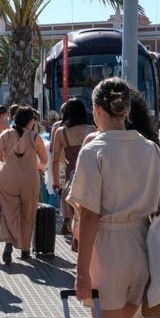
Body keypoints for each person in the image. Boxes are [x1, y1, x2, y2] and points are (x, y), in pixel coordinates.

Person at [67, 77, 160, 318]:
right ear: (126, 111)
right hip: (141, 247)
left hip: (107, 249)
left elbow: (90, 215)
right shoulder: (150, 149)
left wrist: (81, 272)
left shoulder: (95, 150)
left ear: (97, 109)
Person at [0, 106, 48, 264]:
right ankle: (25, 250)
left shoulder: (6, 134)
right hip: (30, 179)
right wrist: (35, 168)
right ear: (30, 121)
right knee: (28, 214)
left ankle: (9, 242)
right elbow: (44, 160)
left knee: (9, 212)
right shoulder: (35, 137)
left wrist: (1, 167)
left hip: (8, 177)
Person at [51, 98, 95, 237]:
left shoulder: (60, 132)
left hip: (71, 175)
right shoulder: (91, 130)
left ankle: (69, 221)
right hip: (90, 175)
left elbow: (55, 159)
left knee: (71, 203)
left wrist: (56, 182)